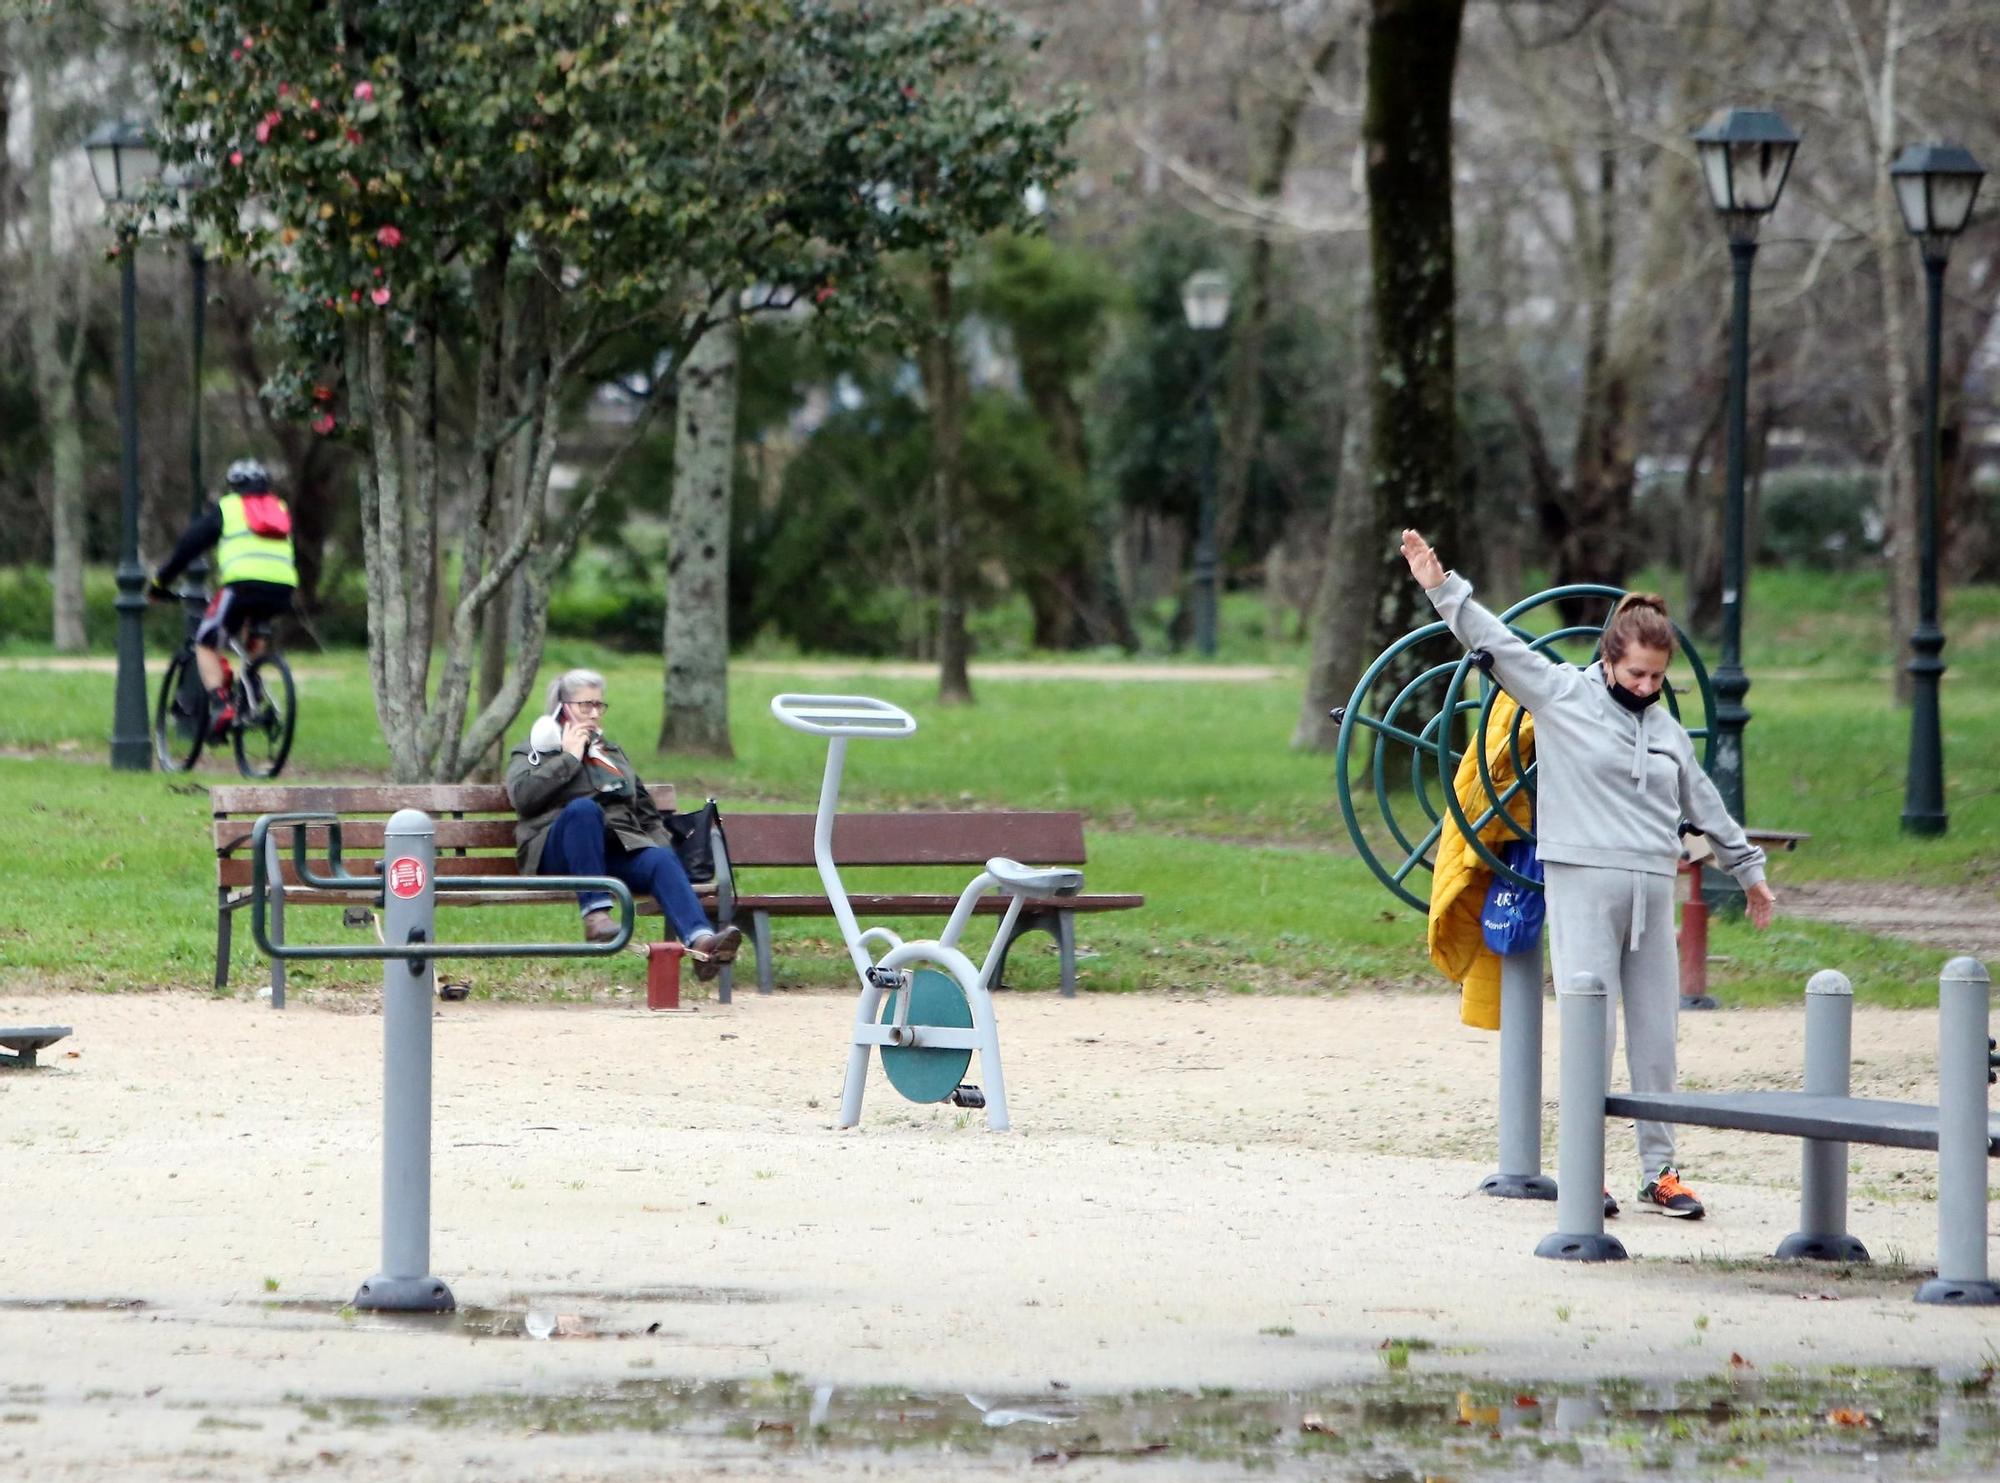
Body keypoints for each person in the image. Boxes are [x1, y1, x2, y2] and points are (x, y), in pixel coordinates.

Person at [1401, 529, 1775, 1220]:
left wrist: (1748, 869)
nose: (1646, 687)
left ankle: (1660, 1170)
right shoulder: (1562, 696)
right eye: (1635, 674)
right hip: (1581, 883)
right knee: (1590, 1031)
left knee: (1656, 1035)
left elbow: (1703, 799)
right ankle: (1586, 1170)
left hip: (1648, 887)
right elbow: (1498, 644)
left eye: (1657, 678)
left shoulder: (1662, 729)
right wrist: (1441, 586)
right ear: (1609, 660)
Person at [505, 668, 743, 977]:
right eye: (584, 705)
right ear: (561, 707)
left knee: (657, 859)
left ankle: (703, 945)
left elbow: (645, 811)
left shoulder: (610, 753)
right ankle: (597, 917)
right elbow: (522, 798)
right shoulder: (537, 748)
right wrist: (569, 758)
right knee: (583, 811)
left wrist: (664, 853)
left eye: (598, 706)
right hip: (555, 852)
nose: (593, 714)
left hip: (612, 852)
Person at [150, 458, 298, 735]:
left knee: (205, 643)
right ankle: (252, 688)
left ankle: (221, 705)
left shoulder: (228, 508)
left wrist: (160, 583)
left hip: (241, 588)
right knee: (255, 630)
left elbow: (188, 547)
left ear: (233, 486)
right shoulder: (279, 508)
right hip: (283, 588)